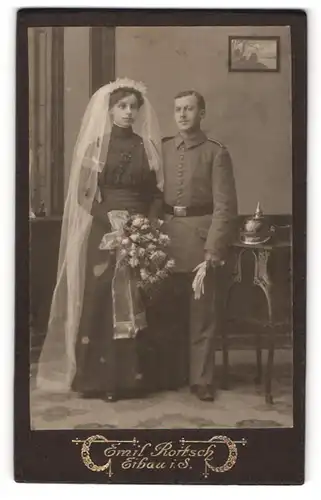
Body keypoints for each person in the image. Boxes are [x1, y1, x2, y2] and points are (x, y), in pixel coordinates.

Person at [36, 78, 163, 401]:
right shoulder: (97, 147)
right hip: (104, 229)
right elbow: (83, 194)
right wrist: (109, 217)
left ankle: (134, 379)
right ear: (109, 111)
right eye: (122, 106)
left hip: (139, 232)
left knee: (136, 296)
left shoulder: (147, 147)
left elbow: (154, 193)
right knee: (103, 297)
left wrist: (144, 224)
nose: (128, 113)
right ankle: (100, 379)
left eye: (133, 107)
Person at [160, 90, 238, 401]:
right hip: (166, 241)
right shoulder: (164, 148)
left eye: (189, 109)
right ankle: (174, 373)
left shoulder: (215, 152)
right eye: (178, 109)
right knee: (169, 312)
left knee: (202, 314)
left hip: (199, 244)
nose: (182, 115)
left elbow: (225, 207)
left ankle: (202, 379)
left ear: (201, 113)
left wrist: (214, 250)